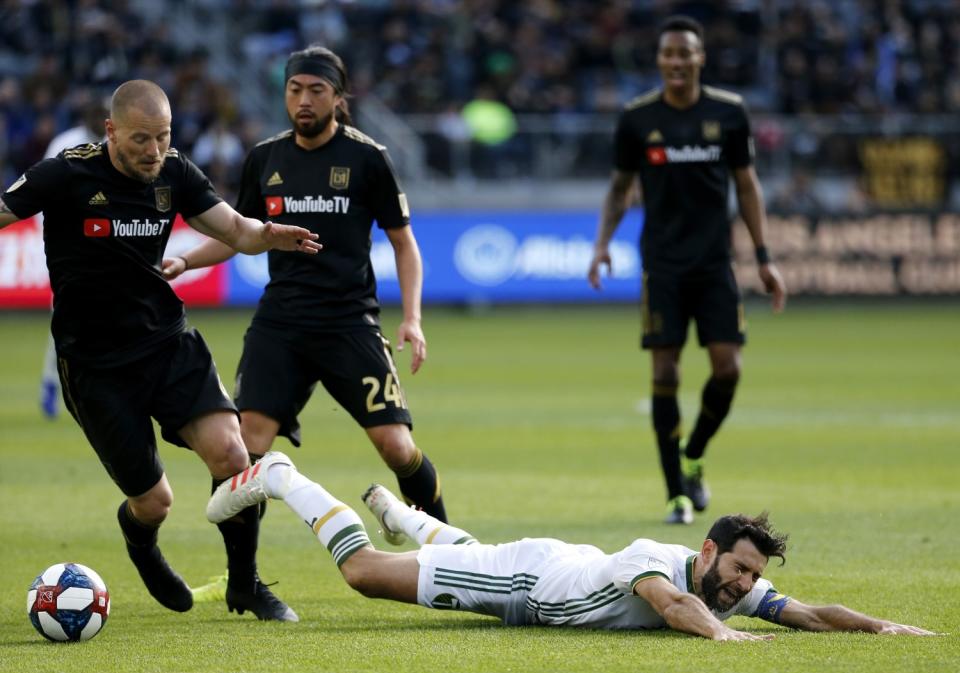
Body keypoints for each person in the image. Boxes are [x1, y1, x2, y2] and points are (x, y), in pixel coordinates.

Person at [0, 79, 321, 621]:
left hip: (168, 342)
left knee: (234, 455)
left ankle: (245, 584)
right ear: (111, 132)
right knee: (155, 503)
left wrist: (269, 235)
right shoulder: (66, 173)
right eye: (140, 139)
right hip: (95, 364)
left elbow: (237, 232)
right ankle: (141, 544)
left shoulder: (175, 173)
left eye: (163, 137)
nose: (153, 151)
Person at [204, 452, 934, 639]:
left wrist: (881, 625)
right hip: (521, 582)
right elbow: (669, 604)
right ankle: (281, 475)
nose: (747, 585)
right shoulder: (661, 560)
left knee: (461, 551)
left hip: (549, 568)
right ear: (708, 552)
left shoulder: (728, 591)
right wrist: (725, 639)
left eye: (752, 577)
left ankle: (404, 515)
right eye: (741, 568)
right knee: (363, 574)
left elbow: (808, 613)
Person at [164, 46, 447, 523]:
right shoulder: (265, 159)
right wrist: (186, 259)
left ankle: (447, 554)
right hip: (281, 323)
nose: (304, 100)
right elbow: (237, 234)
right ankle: (242, 577)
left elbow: (404, 244)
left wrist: (413, 319)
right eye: (295, 90)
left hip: (349, 323)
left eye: (316, 90)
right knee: (246, 445)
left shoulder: (367, 158)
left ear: (338, 97)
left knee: (397, 447)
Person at [588, 16, 788, 525]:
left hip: (714, 263)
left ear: (700, 59)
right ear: (659, 61)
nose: (676, 62)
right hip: (663, 266)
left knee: (729, 369)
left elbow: (746, 185)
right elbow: (619, 187)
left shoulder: (728, 113)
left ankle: (693, 453)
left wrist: (764, 257)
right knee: (665, 373)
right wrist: (602, 244)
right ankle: (675, 492)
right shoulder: (637, 119)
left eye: (685, 54)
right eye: (668, 54)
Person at [38, 92, 111, 419]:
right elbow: (42, 193)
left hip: (108, 251)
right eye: (96, 112)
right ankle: (52, 383)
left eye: (105, 113)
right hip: (71, 252)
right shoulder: (64, 145)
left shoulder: (117, 146)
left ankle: (102, 389)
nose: (100, 118)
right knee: (66, 322)